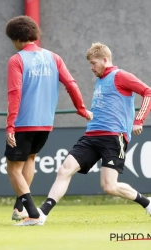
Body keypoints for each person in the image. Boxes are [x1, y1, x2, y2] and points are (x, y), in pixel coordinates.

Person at [23, 42, 151, 226]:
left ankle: (147, 203)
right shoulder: (100, 79)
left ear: (105, 60)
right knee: (64, 170)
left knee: (109, 186)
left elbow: (148, 92)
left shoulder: (120, 76)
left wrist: (139, 120)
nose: (91, 68)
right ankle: (41, 215)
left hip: (114, 137)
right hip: (91, 136)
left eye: (93, 63)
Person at [4, 16, 93, 226]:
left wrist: (10, 125)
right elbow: (71, 83)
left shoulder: (16, 60)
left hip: (23, 123)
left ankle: (33, 214)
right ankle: (20, 207)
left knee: (13, 169)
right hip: (45, 123)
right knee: (31, 159)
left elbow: (14, 94)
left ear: (16, 39)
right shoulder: (54, 57)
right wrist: (81, 109)